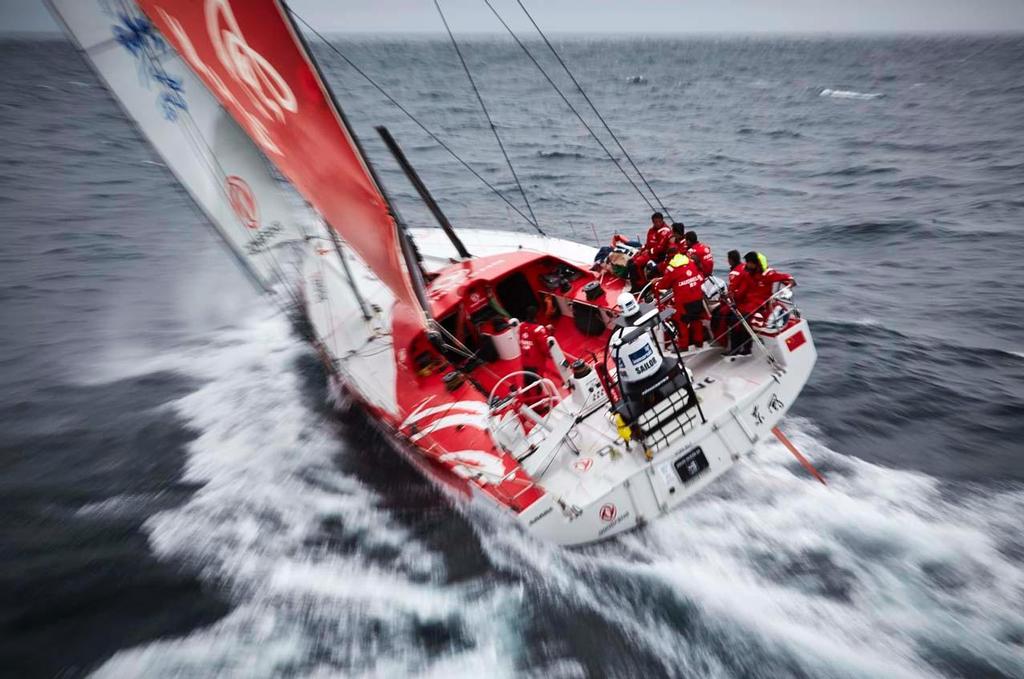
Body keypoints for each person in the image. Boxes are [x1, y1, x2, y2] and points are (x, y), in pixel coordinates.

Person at [726, 251, 795, 356]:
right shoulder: (748, 274)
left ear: (755, 263)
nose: (747, 265)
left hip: (761, 303)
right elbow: (742, 289)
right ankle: (736, 348)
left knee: (742, 320)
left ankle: (746, 349)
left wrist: (789, 281)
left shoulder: (768, 274)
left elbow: (785, 277)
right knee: (732, 318)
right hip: (748, 303)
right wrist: (733, 296)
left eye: (749, 263)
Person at [655, 253, 706, 349]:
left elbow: (663, 285)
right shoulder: (691, 263)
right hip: (697, 297)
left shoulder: (672, 269)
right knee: (696, 320)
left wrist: (656, 284)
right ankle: (699, 342)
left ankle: (683, 346)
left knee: (681, 322)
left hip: (684, 301)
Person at [628, 212, 672, 289]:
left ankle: (638, 286)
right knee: (630, 261)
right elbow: (648, 243)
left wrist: (649, 251)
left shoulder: (665, 231)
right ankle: (639, 282)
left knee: (634, 265)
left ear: (662, 220)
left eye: (659, 221)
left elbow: (660, 247)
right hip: (649, 253)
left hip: (657, 255)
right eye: (655, 222)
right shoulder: (651, 230)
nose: (657, 223)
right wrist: (642, 250)